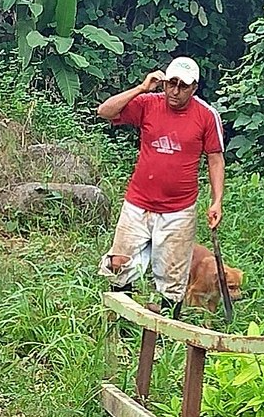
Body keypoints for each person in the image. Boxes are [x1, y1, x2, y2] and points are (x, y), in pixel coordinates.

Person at [95, 56, 225, 311]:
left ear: (194, 88)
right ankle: (121, 322)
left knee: (172, 276)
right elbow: (105, 111)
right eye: (171, 83)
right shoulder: (148, 103)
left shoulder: (207, 115)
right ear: (164, 82)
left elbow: (215, 159)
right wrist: (142, 88)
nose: (175, 91)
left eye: (183, 86)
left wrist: (216, 200)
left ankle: (167, 325)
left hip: (179, 209)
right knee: (119, 264)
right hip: (138, 203)